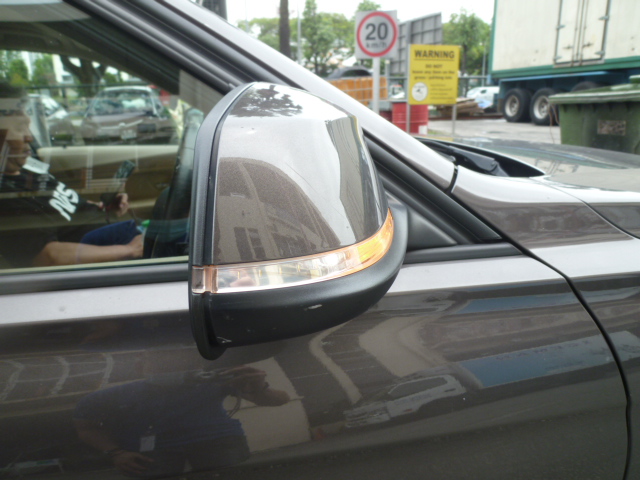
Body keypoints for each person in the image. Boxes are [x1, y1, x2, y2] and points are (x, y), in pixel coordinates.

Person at [0, 82, 142, 268]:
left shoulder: (27, 167)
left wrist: (101, 207)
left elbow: (61, 205)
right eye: (19, 129)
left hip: (113, 233)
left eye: (28, 126)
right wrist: (130, 250)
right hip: (108, 254)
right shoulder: (6, 199)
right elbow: (49, 257)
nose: (29, 137)